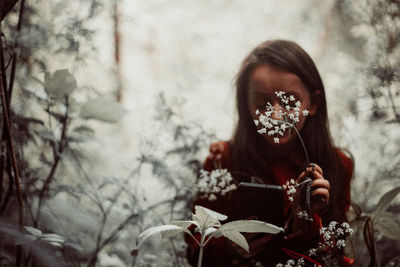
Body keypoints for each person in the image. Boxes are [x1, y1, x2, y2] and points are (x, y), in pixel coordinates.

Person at [186, 40, 354, 266]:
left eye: (289, 102)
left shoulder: (337, 164)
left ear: (313, 103)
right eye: (263, 103)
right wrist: (228, 244)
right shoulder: (222, 160)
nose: (275, 116)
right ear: (245, 105)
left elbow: (333, 252)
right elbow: (195, 247)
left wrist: (303, 217)